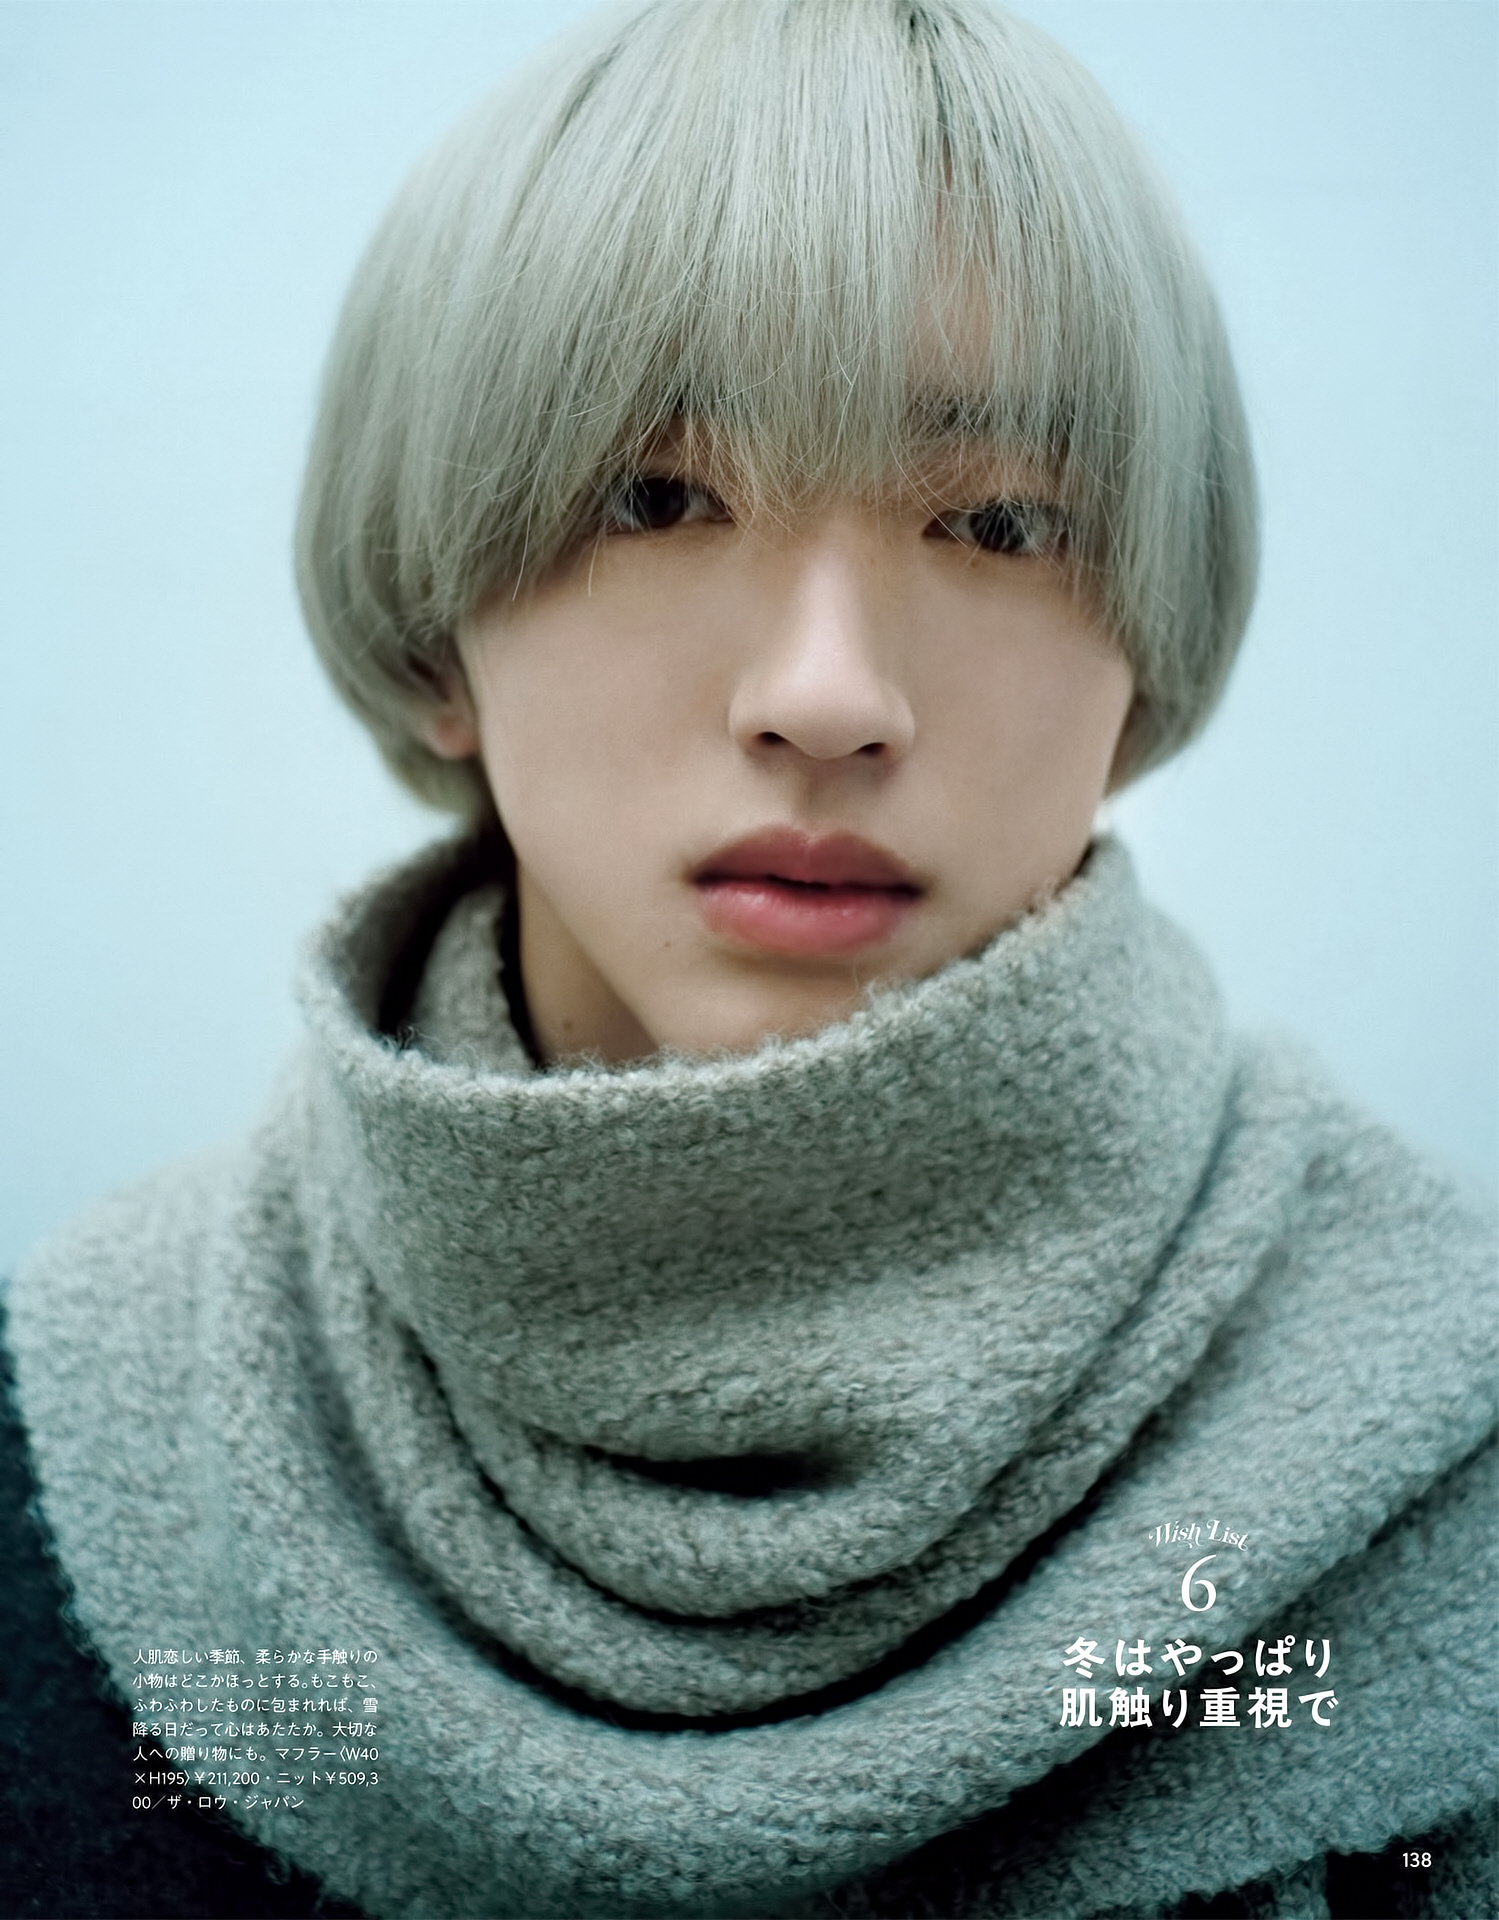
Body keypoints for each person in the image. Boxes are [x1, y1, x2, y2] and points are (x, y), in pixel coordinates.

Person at [3, 2, 1493, 1915]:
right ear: (438, 635)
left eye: (999, 519)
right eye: (660, 496)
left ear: (1144, 657)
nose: (828, 696)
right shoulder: (79, 1414)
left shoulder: (1447, 1432)